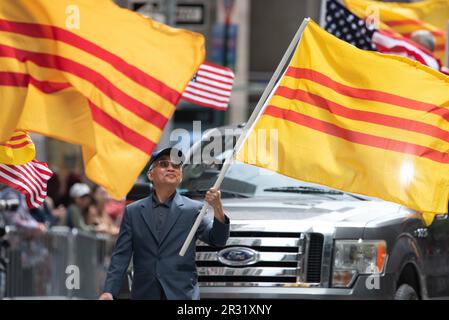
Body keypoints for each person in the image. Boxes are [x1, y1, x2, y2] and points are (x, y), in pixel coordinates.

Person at [99, 147, 230, 300]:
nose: (170, 168)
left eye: (176, 165)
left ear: (180, 175)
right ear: (150, 174)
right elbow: (121, 256)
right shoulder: (132, 212)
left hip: (181, 295)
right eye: (163, 164)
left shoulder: (194, 209)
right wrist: (109, 291)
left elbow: (218, 239)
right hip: (145, 294)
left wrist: (218, 207)